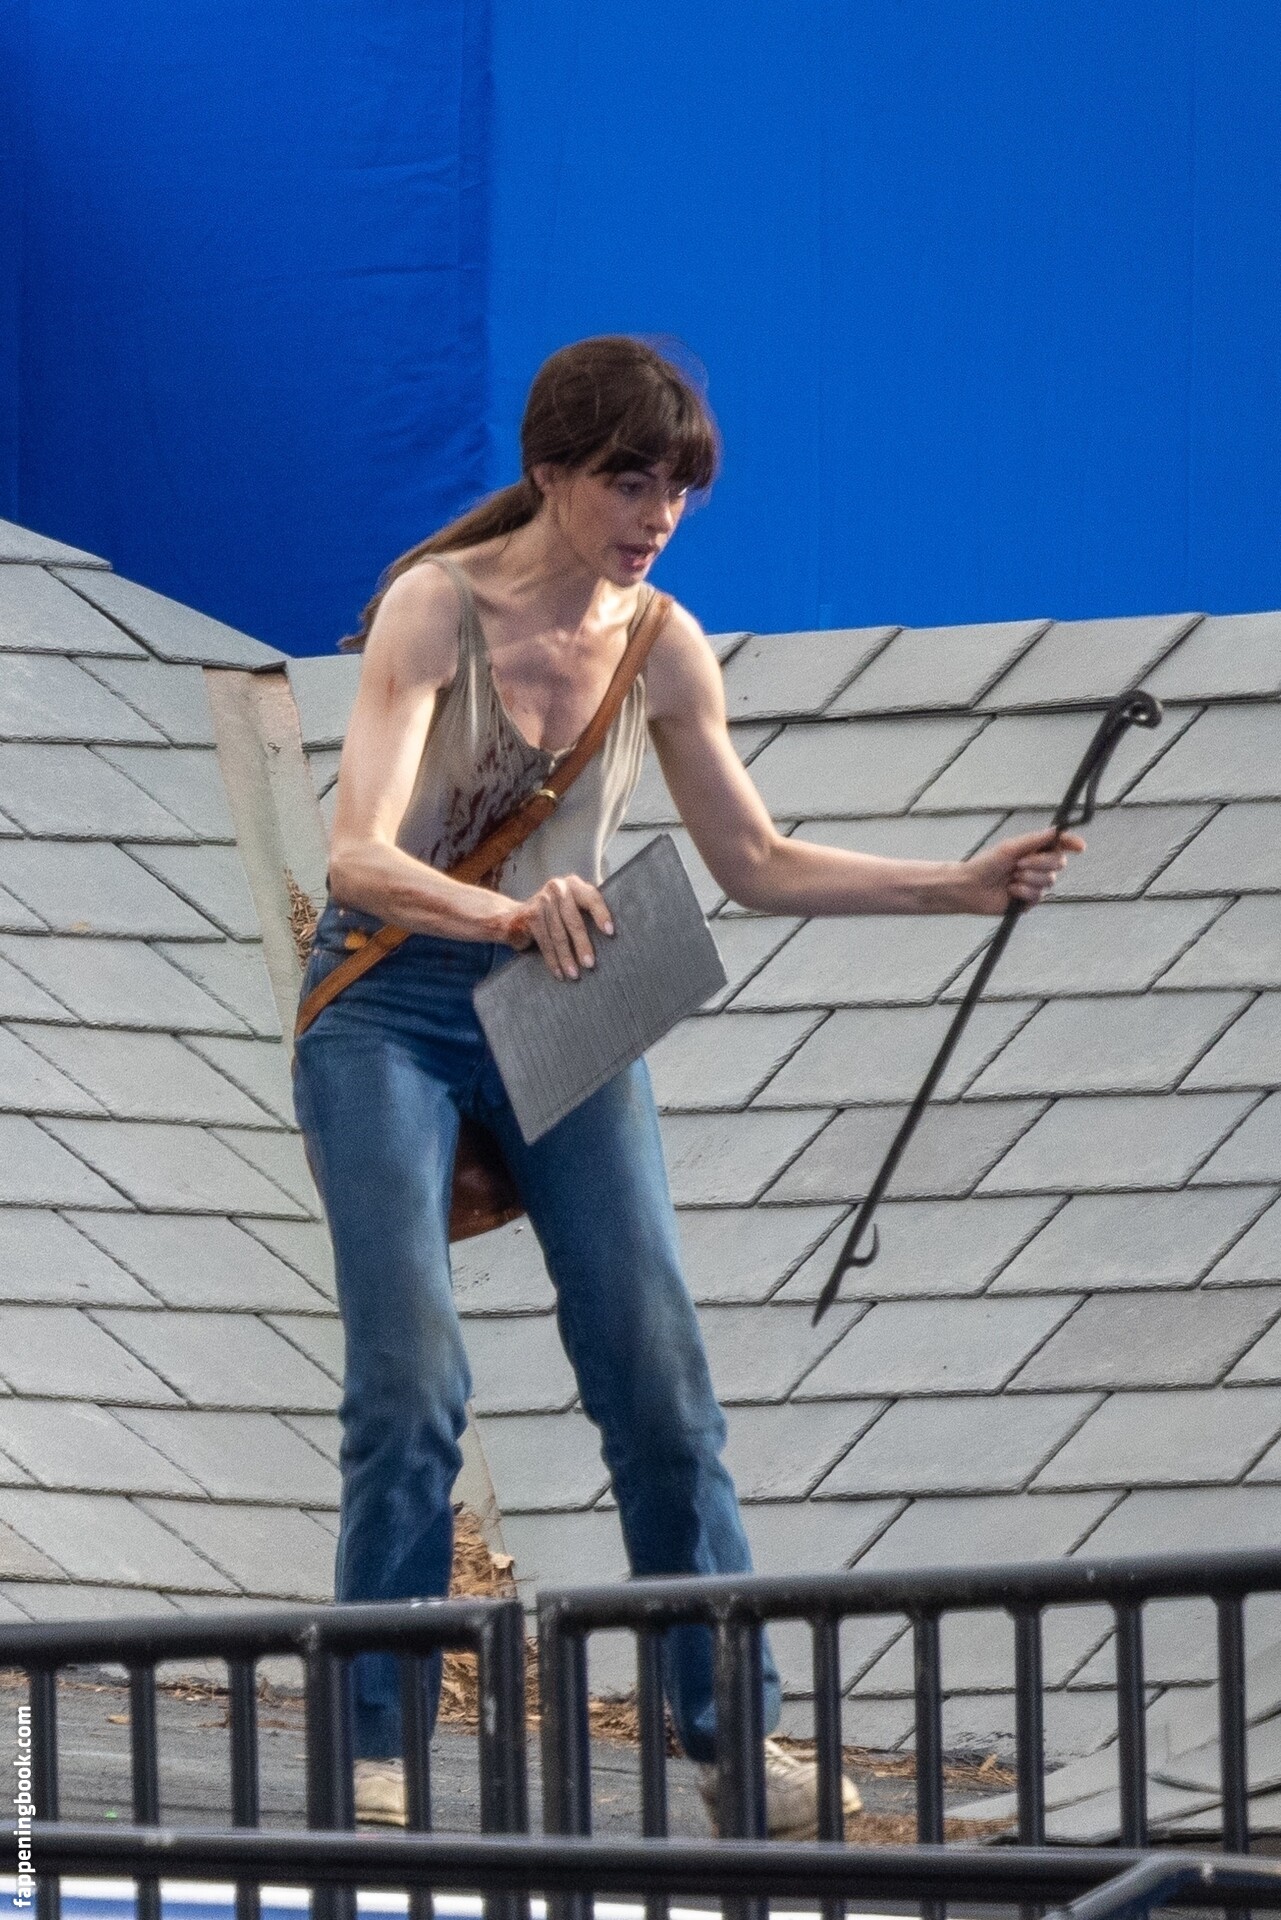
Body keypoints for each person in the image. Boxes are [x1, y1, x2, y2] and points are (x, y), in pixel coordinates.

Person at [292, 335, 1082, 1835]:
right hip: (390, 998)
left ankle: (735, 1741)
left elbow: (756, 860)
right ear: (551, 473)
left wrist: (959, 885)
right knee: (411, 1383)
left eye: (676, 489)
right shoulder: (434, 608)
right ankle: (373, 1748)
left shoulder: (661, 641)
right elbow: (356, 858)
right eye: (628, 482)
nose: (656, 515)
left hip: (567, 994)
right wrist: (505, 913)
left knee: (658, 1377)